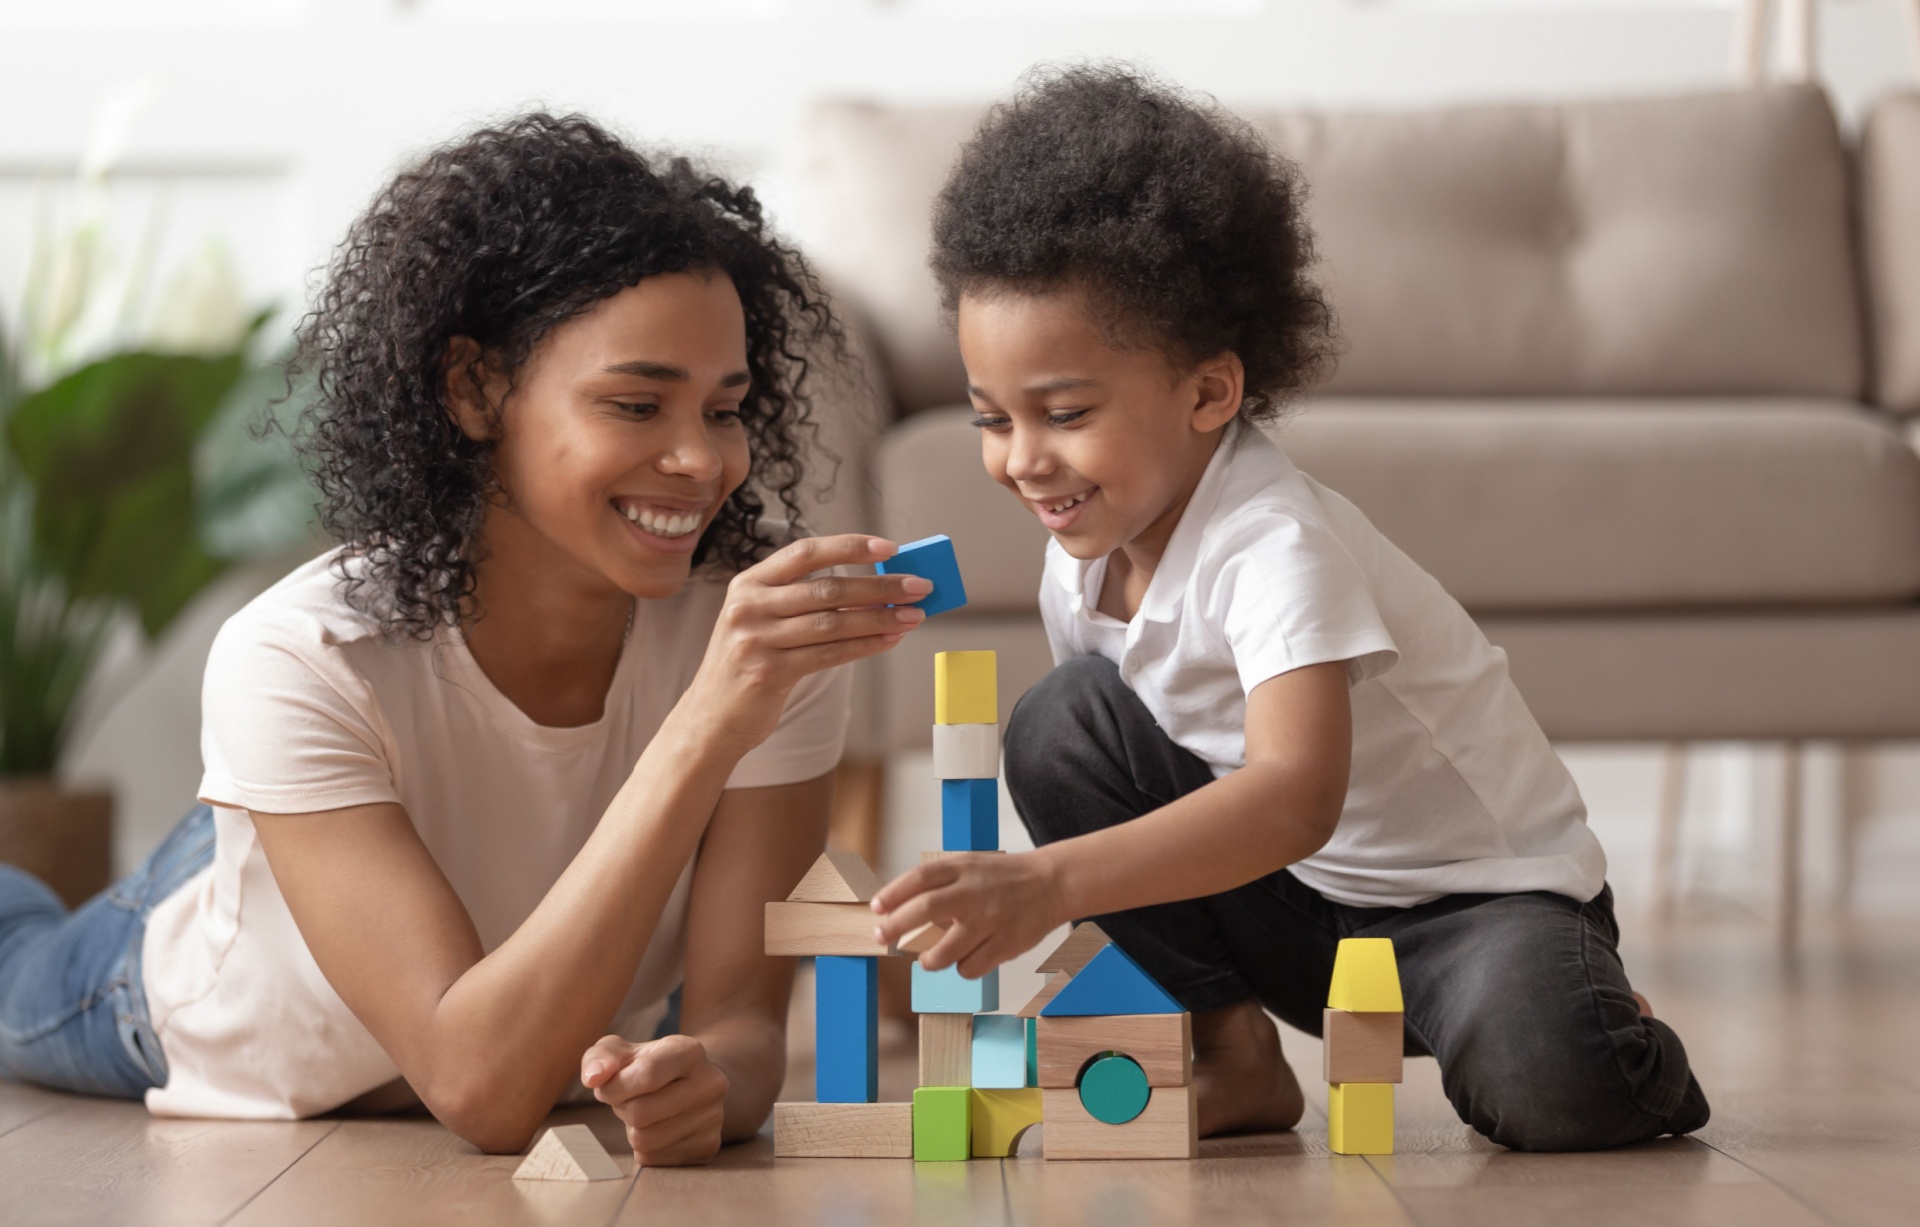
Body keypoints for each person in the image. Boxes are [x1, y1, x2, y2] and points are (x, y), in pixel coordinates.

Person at [0, 113, 927, 1164]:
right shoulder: (301, 654)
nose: (701, 461)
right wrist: (707, 725)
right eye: (635, 403)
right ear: (474, 389)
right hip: (202, 988)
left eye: (725, 409)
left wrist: (714, 1079)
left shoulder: (755, 641)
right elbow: (483, 1091)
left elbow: (744, 1024)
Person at [870, 66, 1709, 1152]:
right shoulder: (1084, 552)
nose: (1024, 460)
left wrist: (1043, 884)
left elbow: (1291, 798)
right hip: (1285, 911)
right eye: (993, 419)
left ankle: (1614, 1030)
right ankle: (1233, 1057)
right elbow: (1158, 793)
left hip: (1472, 913)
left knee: (1550, 1083)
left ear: (1210, 393)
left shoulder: (1274, 545)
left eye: (1065, 413)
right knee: (1062, 721)